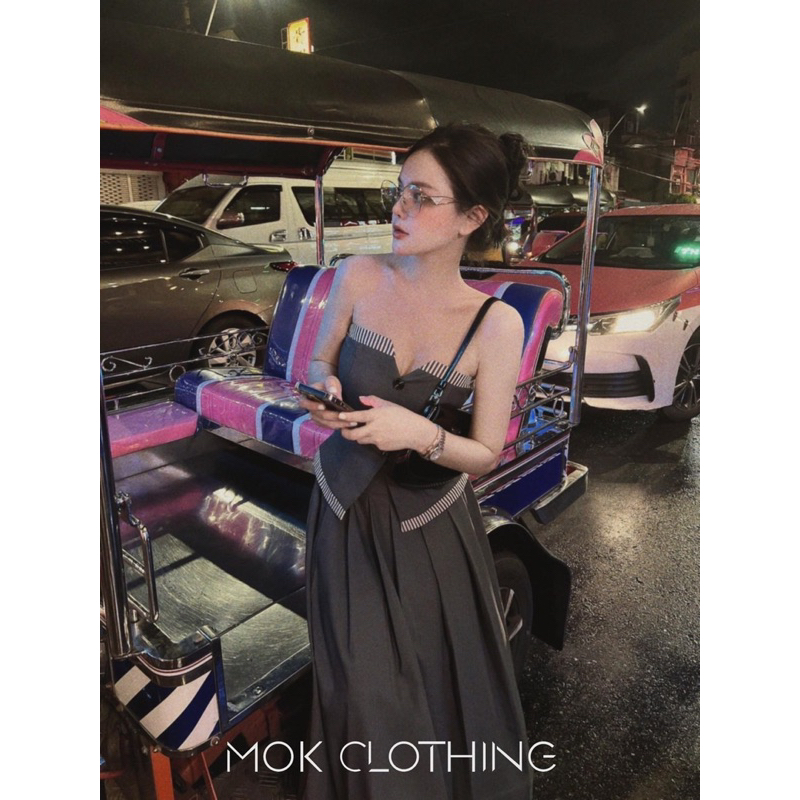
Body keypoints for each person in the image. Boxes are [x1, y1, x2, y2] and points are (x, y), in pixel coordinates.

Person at [298, 123, 533, 800]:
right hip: (343, 511)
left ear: (472, 218)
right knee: (360, 689)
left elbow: (484, 453)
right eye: (399, 192)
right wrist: (324, 390)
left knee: (440, 683)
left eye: (421, 197)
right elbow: (316, 360)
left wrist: (420, 433)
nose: (399, 209)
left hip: (430, 529)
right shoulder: (357, 274)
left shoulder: (495, 323)